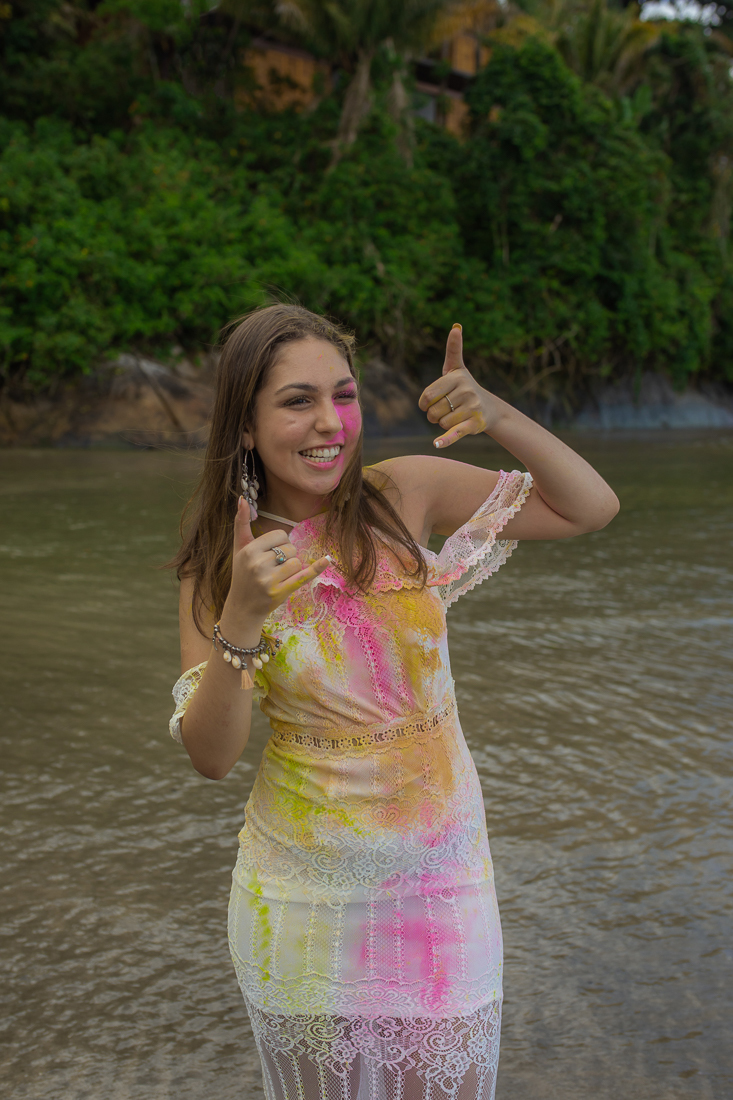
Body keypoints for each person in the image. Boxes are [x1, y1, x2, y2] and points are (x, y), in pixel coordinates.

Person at [168, 303, 619, 1100]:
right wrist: (240, 615)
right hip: (302, 900)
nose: (330, 423)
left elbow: (590, 507)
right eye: (297, 400)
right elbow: (210, 756)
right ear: (243, 425)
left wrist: (500, 415)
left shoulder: (400, 495)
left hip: (444, 886)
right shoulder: (218, 565)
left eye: (342, 396)